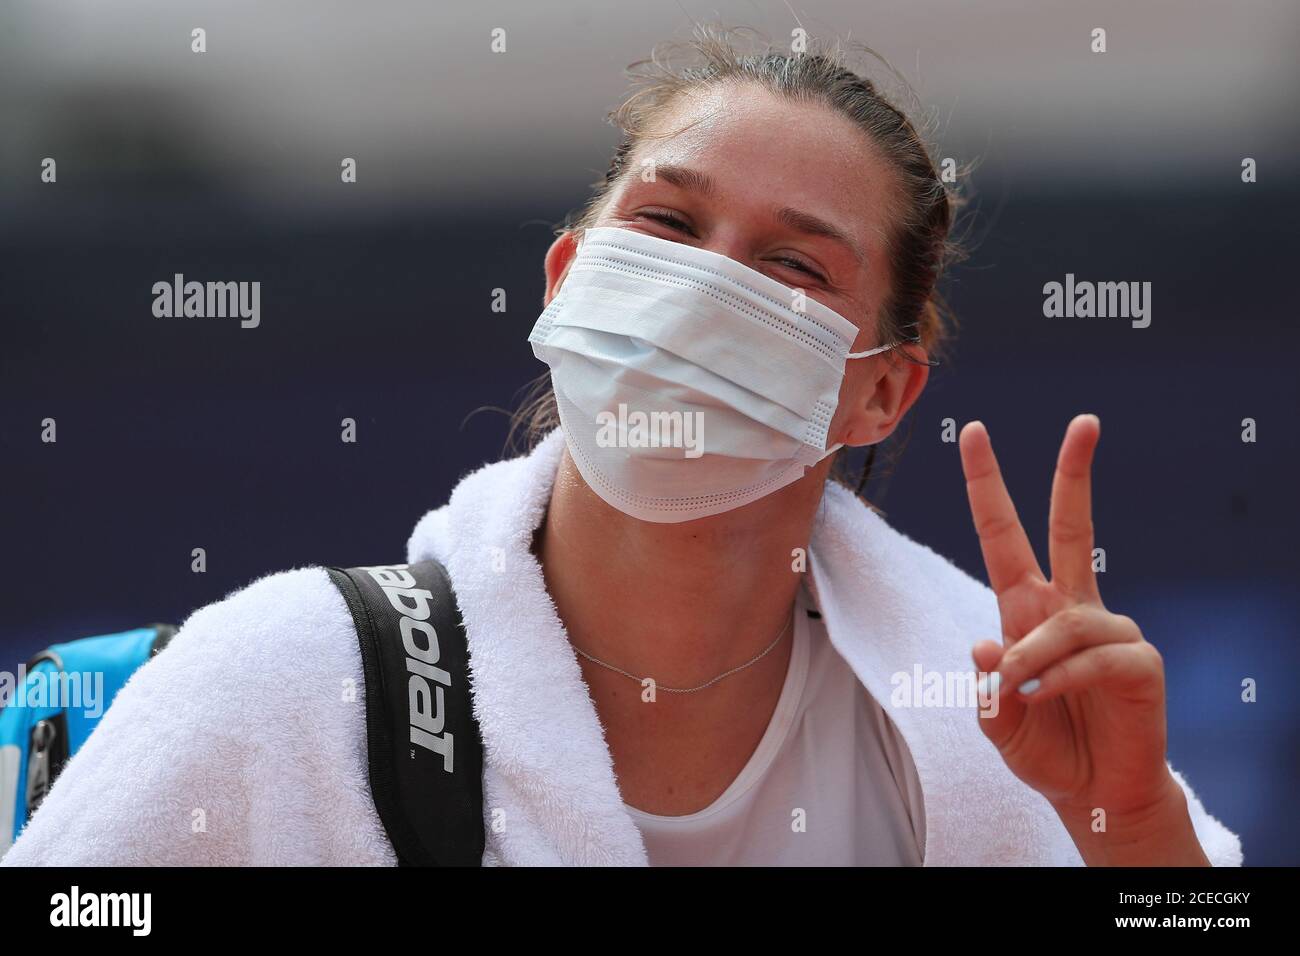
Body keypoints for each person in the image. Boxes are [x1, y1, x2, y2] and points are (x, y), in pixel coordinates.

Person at [2, 26, 1240, 867]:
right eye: (666, 220)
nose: (705, 287)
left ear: (881, 392)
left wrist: (1131, 827)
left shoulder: (988, 743)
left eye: (791, 264)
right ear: (567, 279)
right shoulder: (284, 680)